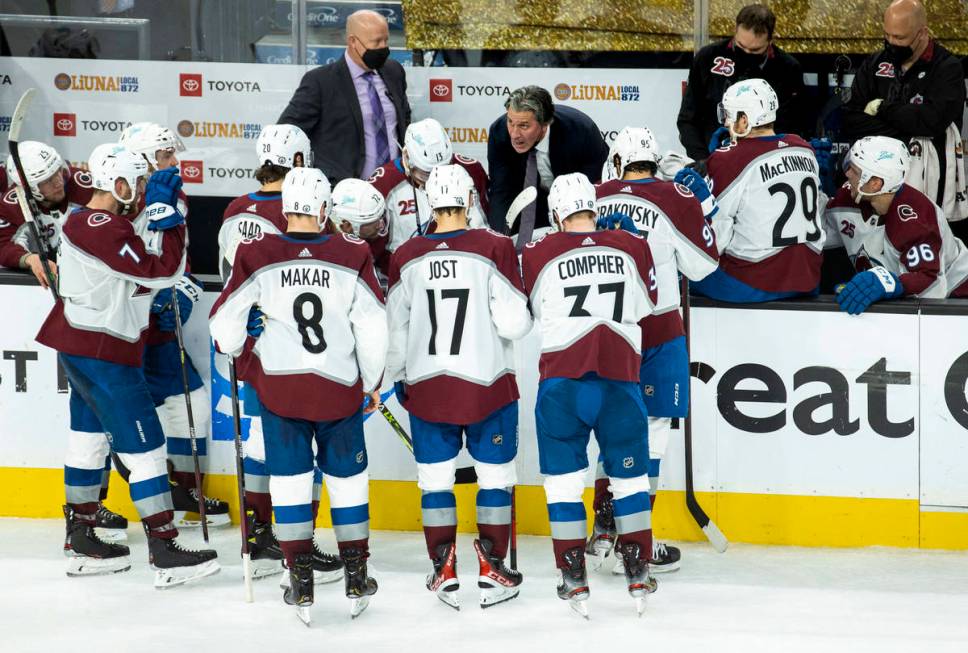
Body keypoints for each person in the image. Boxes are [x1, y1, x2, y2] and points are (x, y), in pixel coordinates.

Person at [35, 142, 219, 586]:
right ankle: (163, 546)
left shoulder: (97, 221)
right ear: (115, 182)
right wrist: (169, 221)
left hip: (85, 345)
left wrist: (158, 210)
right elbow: (161, 270)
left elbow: (133, 240)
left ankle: (80, 538)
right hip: (104, 353)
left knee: (88, 438)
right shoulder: (98, 226)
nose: (138, 190)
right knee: (147, 448)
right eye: (134, 182)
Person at [210, 166, 387, 623]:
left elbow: (224, 325)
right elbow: (372, 325)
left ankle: (300, 578)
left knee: (288, 481)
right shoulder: (353, 252)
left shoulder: (256, 252)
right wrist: (370, 383)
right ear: (325, 209)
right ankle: (355, 573)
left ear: (286, 209)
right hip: (338, 390)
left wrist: (234, 342)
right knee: (348, 482)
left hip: (280, 390)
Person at [386, 164, 532, 610]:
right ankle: (492, 569)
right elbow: (515, 323)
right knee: (496, 477)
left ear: (430, 203)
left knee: (434, 481)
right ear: (470, 201)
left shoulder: (406, 255)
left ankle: (443, 568)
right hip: (486, 385)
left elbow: (395, 333)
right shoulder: (495, 246)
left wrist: (387, 381)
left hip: (427, 387)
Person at [521, 172, 659, 617]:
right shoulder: (632, 246)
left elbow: (524, 312)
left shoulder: (538, 251)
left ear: (557, 214)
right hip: (620, 381)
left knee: (563, 484)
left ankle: (572, 572)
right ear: (593, 209)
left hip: (562, 383)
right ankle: (637, 566)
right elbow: (648, 306)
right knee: (631, 480)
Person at [217, 123, 343, 583]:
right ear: (298, 163)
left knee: (256, 443)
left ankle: (258, 534)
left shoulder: (234, 208)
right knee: (296, 445)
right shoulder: (294, 213)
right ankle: (297, 539)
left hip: (242, 342)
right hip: (285, 346)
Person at [591, 127, 720, 575]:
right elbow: (703, 266)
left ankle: (605, 521)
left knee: (612, 425)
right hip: (660, 328)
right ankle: (635, 540)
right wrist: (704, 207)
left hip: (606, 330)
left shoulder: (593, 194)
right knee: (652, 432)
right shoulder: (676, 197)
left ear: (617, 161)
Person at [0, 142, 134, 539]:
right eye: (47, 179)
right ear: (27, 186)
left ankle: (93, 506)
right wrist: (28, 259)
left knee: (94, 422)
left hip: (94, 315)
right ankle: (85, 510)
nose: (60, 181)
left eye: (59, 171)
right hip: (69, 328)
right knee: (89, 423)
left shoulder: (83, 184)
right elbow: (3, 245)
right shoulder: (10, 204)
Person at [118, 122, 231, 529]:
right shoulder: (119, 203)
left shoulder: (174, 196)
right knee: (103, 428)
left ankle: (183, 490)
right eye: (165, 155)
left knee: (194, 408)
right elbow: (120, 264)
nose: (174, 162)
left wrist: (185, 285)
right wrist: (150, 298)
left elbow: (174, 257)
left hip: (162, 332)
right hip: (127, 332)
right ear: (146, 161)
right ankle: (83, 516)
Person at [840, 0, 967, 239]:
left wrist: (882, 108)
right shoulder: (876, 63)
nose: (891, 43)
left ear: (922, 34)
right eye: (886, 35)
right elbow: (850, 119)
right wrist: (906, 126)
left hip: (928, 184)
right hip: (874, 181)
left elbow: (931, 122)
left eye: (898, 37)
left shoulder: (947, 68)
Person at [690, 78, 825, 302]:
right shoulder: (804, 148)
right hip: (808, 279)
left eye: (729, 116)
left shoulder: (727, 160)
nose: (725, 123)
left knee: (680, 270)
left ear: (744, 120)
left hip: (753, 282)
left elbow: (716, 241)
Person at [825, 136, 968, 314]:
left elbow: (930, 283)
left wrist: (893, 283)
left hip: (956, 298)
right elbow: (818, 229)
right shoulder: (848, 197)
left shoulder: (918, 219)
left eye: (855, 170)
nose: (847, 174)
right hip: (900, 305)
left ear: (875, 184)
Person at [278, 9, 411, 183]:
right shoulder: (320, 82)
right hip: (344, 193)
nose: (383, 47)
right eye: (376, 41)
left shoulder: (394, 71)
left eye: (386, 40)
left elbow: (404, 120)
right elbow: (286, 133)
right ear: (353, 42)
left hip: (395, 186)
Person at [677, 4, 805, 171]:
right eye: (741, 46)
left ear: (770, 40)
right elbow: (687, 118)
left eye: (755, 50)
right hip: (710, 157)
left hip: (763, 163)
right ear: (735, 31)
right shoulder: (707, 58)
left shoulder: (788, 68)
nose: (746, 53)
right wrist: (703, 160)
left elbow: (793, 127)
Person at [486, 85, 609, 237]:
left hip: (576, 207)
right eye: (510, 122)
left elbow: (598, 186)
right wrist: (499, 239)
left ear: (545, 124)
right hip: (531, 206)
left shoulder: (582, 130)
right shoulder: (499, 133)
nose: (514, 134)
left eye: (524, 126)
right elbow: (501, 192)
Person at [368, 118, 489, 264]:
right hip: (405, 274)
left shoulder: (471, 171)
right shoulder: (382, 185)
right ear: (407, 158)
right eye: (427, 174)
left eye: (444, 169)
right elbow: (375, 251)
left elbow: (483, 232)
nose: (435, 181)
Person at [328, 177, 390, 278]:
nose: (381, 225)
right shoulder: (322, 251)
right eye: (373, 222)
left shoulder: (374, 238)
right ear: (346, 226)